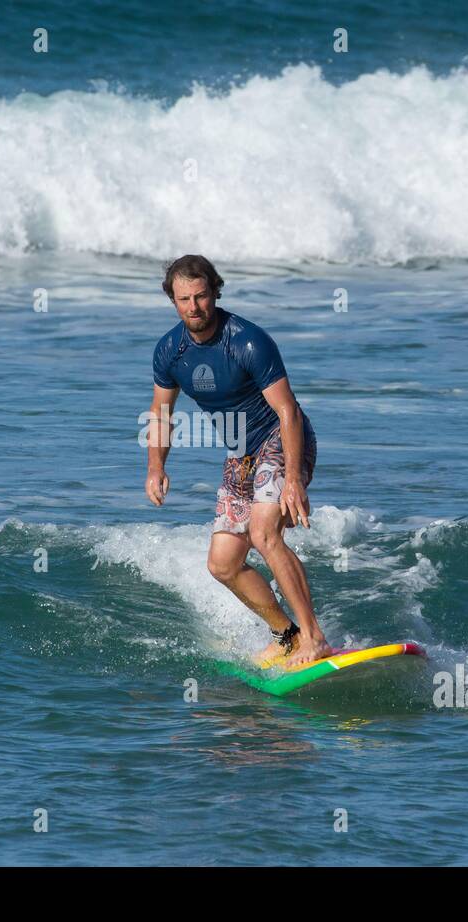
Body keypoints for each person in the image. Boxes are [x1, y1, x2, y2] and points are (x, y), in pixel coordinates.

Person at [144, 254, 333, 665]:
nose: (194, 307)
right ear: (172, 300)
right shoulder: (169, 352)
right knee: (223, 563)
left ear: (215, 291)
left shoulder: (247, 340)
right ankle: (287, 635)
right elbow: (161, 414)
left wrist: (294, 480)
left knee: (265, 533)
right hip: (240, 454)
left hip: (281, 438)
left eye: (201, 296)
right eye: (184, 299)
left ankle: (314, 639)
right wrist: (156, 468)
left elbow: (287, 412)